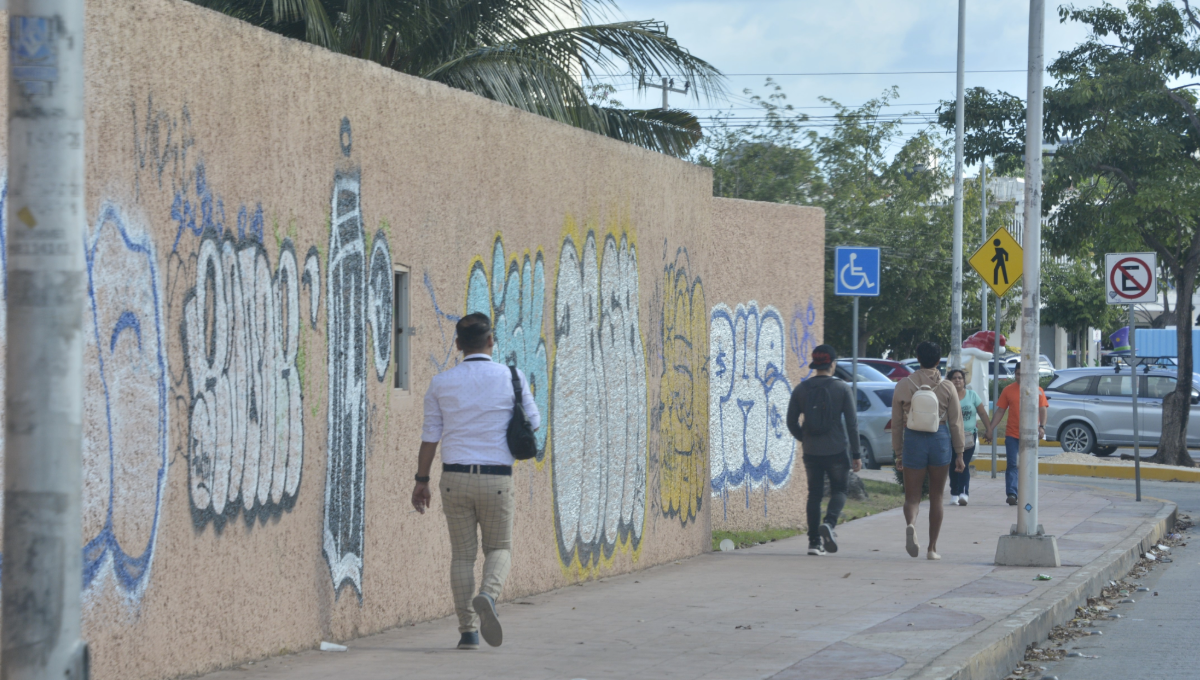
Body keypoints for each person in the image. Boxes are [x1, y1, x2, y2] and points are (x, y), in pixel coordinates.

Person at [412, 313, 540, 650]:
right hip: (497, 478)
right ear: (490, 341)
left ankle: (468, 631)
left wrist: (421, 481)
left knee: (462, 557)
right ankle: (488, 595)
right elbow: (535, 423)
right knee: (499, 547)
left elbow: (430, 438)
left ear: (457, 345)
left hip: (454, 478)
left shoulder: (441, 383)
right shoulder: (512, 377)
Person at [891, 341, 965, 560]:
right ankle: (932, 548)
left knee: (912, 497)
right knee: (937, 497)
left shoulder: (904, 385)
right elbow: (956, 423)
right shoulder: (948, 386)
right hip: (940, 439)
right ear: (937, 360)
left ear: (918, 358)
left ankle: (911, 525)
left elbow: (896, 423)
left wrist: (898, 452)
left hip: (913, 438)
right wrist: (959, 453)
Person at [786, 344, 861, 557]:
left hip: (812, 451)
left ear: (815, 364)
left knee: (814, 495)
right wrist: (856, 455)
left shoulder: (801, 389)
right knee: (840, 490)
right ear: (833, 365)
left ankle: (813, 543)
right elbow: (853, 424)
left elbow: (791, 421)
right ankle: (829, 523)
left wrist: (805, 438)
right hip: (837, 450)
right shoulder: (842, 388)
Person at [987, 361, 1048, 506]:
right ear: (1015, 374)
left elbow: (1043, 409)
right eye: (1018, 374)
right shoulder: (1008, 390)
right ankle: (1012, 493)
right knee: (1013, 464)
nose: (1021, 377)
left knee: (1028, 465)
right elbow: (1000, 411)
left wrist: (1042, 427)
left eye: (1024, 374)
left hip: (1031, 435)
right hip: (1012, 434)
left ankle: (1027, 493)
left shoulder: (1037, 390)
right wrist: (990, 428)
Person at [946, 368, 989, 506]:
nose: (957, 380)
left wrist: (989, 429)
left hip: (969, 436)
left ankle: (964, 492)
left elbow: (982, 414)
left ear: (964, 381)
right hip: (951, 435)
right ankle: (954, 493)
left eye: (960, 378)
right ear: (950, 381)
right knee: (953, 464)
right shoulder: (947, 396)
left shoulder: (972, 395)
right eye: (954, 378)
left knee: (963, 462)